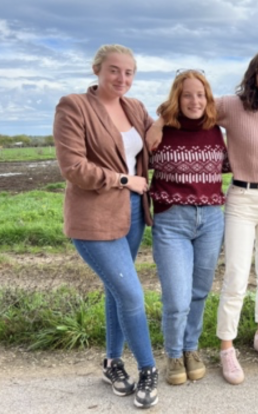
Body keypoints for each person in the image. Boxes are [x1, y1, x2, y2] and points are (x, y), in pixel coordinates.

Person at [147, 50, 258, 384]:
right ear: (253, 77)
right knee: (227, 279)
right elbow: (181, 106)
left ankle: (252, 336)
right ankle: (210, 350)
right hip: (229, 200)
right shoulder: (233, 106)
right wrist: (158, 121)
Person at [53, 44, 158, 409]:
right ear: (97, 69)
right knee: (130, 294)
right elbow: (73, 167)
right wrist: (125, 181)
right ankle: (148, 370)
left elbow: (155, 142)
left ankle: (112, 363)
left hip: (132, 214)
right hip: (93, 216)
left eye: (129, 72)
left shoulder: (136, 107)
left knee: (117, 291)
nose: (122, 79)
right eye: (114, 70)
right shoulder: (74, 106)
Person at [149, 70, 229, 385]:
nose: (194, 101)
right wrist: (157, 121)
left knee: (199, 292)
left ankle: (191, 349)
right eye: (187, 95)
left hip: (210, 218)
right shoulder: (159, 131)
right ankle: (172, 353)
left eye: (200, 94)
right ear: (176, 98)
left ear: (207, 98)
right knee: (177, 297)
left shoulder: (215, 130)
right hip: (172, 221)